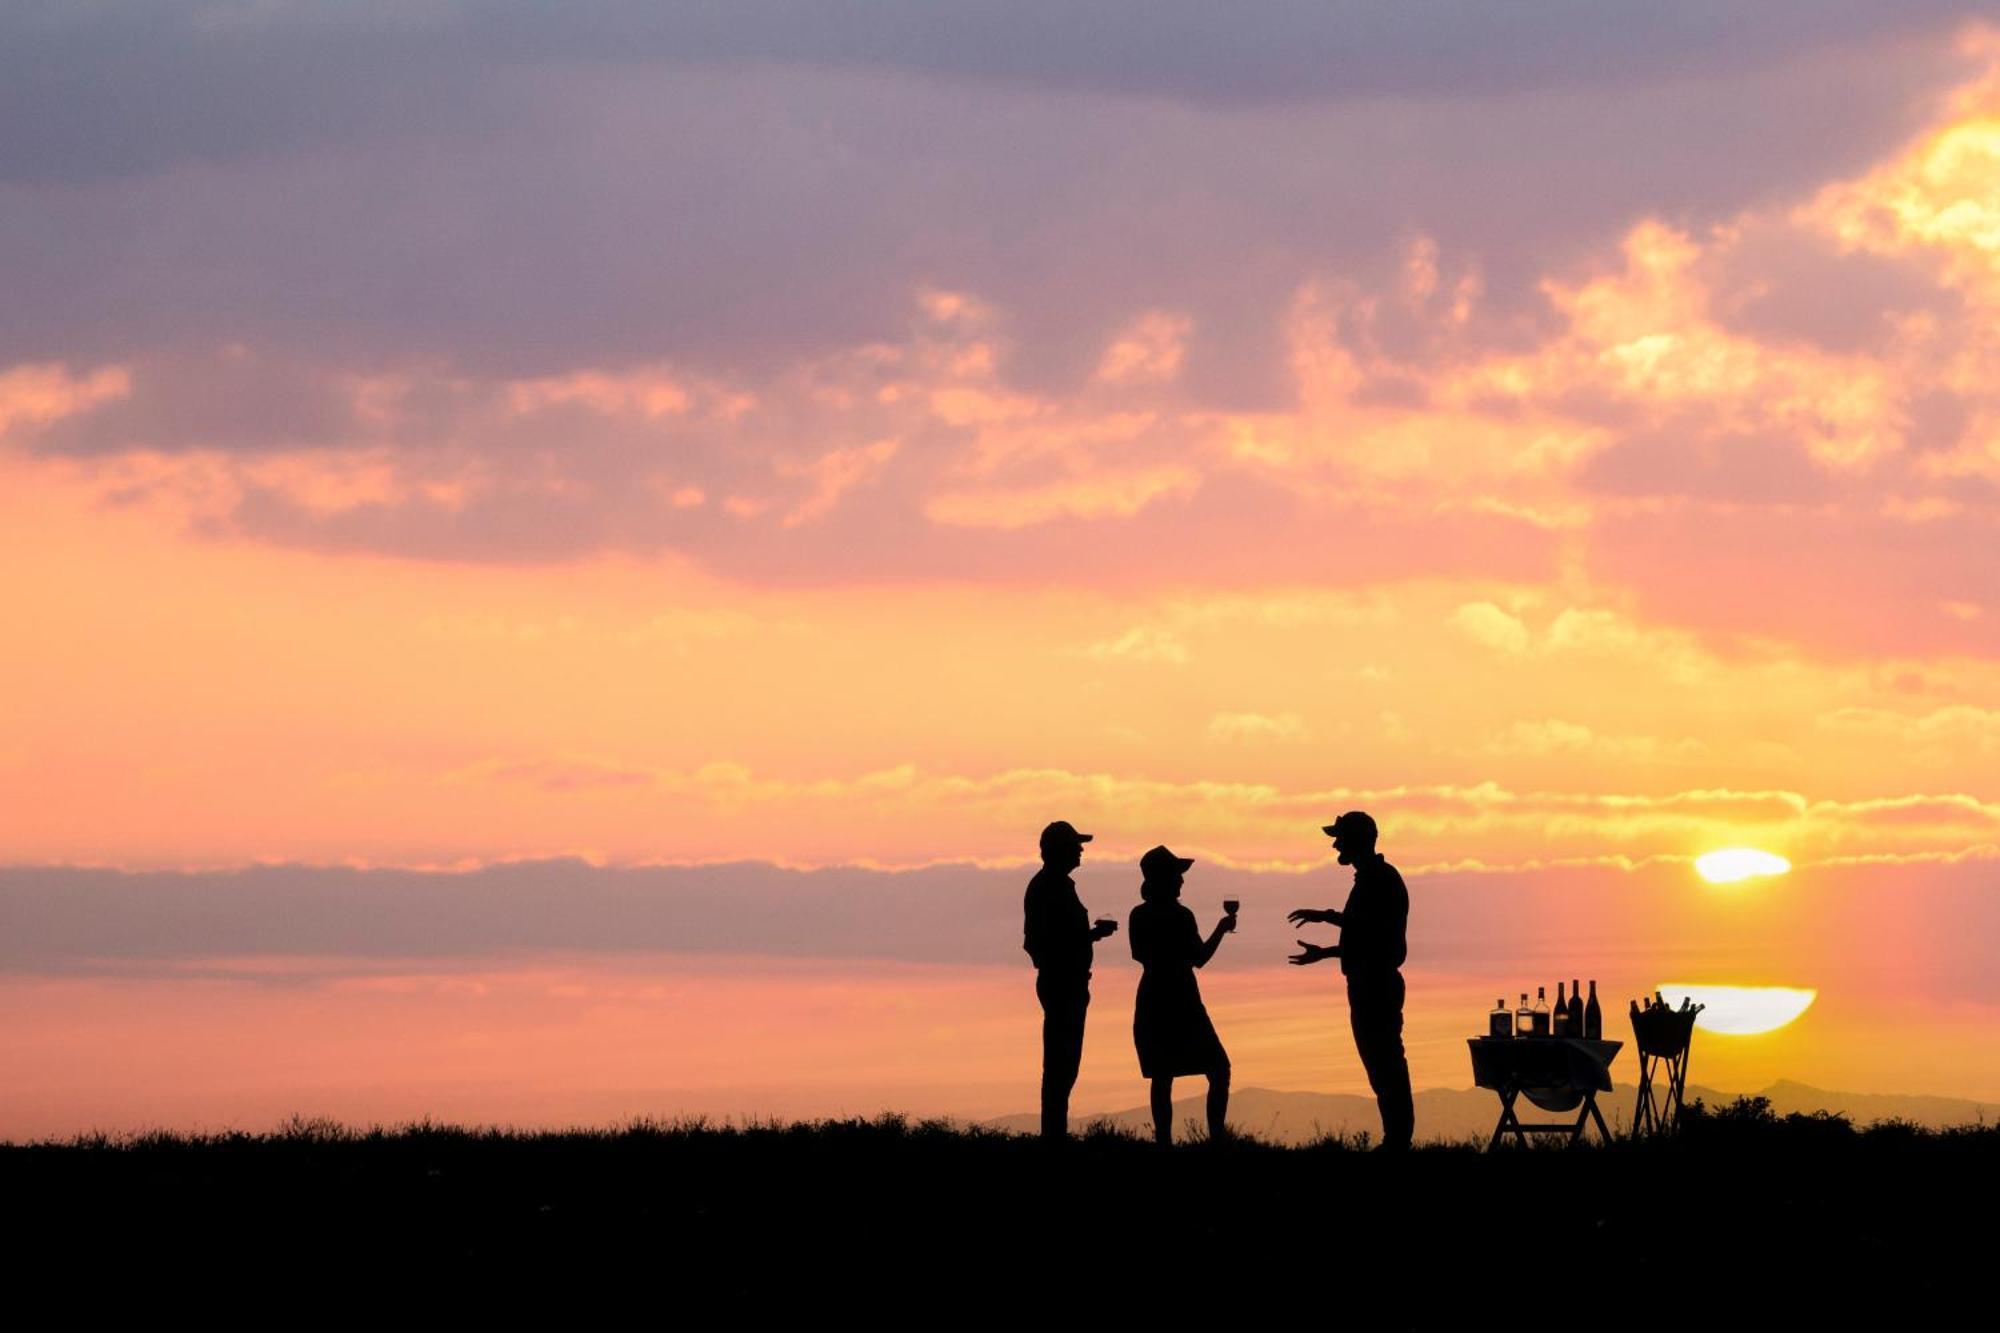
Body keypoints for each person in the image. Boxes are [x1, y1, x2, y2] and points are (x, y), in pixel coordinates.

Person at [1288, 810, 1413, 1151]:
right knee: (1380, 1063)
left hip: (1376, 985)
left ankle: (1397, 1141)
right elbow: (1365, 940)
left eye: (1340, 838)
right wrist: (1325, 953)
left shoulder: (1380, 880)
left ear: (1357, 841)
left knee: (1385, 1062)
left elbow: (1369, 932)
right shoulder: (1372, 878)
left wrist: (1325, 917)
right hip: (1367, 982)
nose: (1335, 845)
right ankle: (1396, 1139)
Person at [1129, 845, 1235, 1146]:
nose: (1182, 881)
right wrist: (1222, 929)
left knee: (1162, 1075)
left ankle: (1164, 1142)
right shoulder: (1181, 915)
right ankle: (1216, 1139)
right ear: (1166, 878)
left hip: (1152, 997)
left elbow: (1140, 954)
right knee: (1218, 1068)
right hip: (1183, 999)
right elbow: (1199, 958)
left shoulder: (1138, 915)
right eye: (1178, 875)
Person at [1023, 819, 1119, 1140]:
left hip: (1067, 982)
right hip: (1062, 984)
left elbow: (1056, 939)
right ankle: (1054, 1137)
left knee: (1063, 1064)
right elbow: (1040, 942)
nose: (1081, 851)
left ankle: (1055, 1134)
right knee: (1061, 1065)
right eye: (1076, 845)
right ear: (1059, 850)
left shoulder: (1053, 885)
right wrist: (1084, 939)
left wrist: (1090, 935)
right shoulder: (1051, 886)